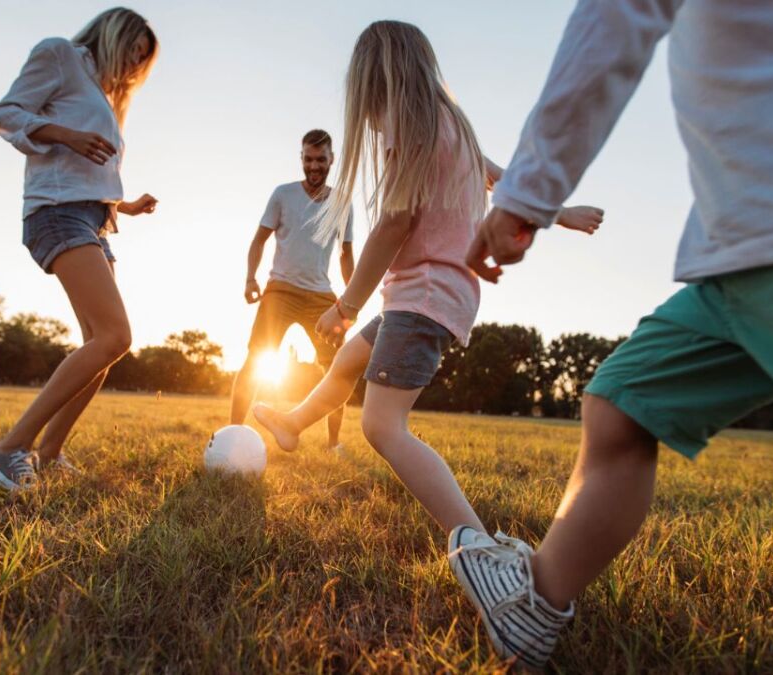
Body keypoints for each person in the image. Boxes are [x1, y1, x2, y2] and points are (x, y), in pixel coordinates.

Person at [462, 0, 773, 667]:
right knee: (624, 400)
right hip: (744, 248)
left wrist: (529, 192)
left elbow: (620, 11)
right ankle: (535, 605)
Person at [252, 21, 602, 666]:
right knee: (352, 361)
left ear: (378, 87)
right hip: (419, 294)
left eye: (367, 101)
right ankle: (295, 423)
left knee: (384, 428)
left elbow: (393, 224)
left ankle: (483, 551)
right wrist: (564, 212)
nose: (370, 121)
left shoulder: (417, 132)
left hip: (424, 294)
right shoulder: (452, 125)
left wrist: (345, 302)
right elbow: (503, 178)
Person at [0, 7, 159, 491]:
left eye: (141, 62)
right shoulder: (60, 54)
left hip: (92, 218)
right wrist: (66, 134)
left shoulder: (103, 93)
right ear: (113, 36)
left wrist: (126, 204)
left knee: (103, 347)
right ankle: (8, 448)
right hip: (56, 211)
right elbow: (6, 113)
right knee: (114, 335)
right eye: (132, 53)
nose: (132, 68)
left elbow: (90, 170)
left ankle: (50, 451)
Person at [231, 130, 356, 451]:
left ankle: (333, 444)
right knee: (255, 360)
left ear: (332, 160)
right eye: (309, 159)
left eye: (321, 160)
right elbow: (259, 240)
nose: (314, 166)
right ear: (301, 158)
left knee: (338, 369)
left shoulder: (342, 203)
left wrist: (353, 299)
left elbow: (346, 255)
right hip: (280, 291)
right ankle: (233, 435)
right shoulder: (283, 195)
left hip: (322, 298)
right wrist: (250, 278)